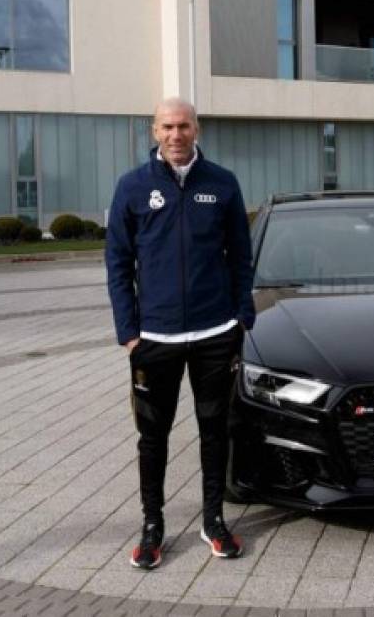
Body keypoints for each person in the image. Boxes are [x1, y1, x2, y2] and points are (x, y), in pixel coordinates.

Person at [106, 97, 255, 570]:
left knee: (215, 431)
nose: (176, 135)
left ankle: (213, 520)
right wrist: (130, 332)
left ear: (198, 129)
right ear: (154, 131)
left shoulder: (223, 184)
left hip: (215, 334)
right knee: (153, 437)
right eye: (167, 127)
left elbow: (241, 256)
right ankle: (153, 526)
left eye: (184, 126)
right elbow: (117, 263)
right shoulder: (132, 188)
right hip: (156, 339)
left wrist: (240, 318)